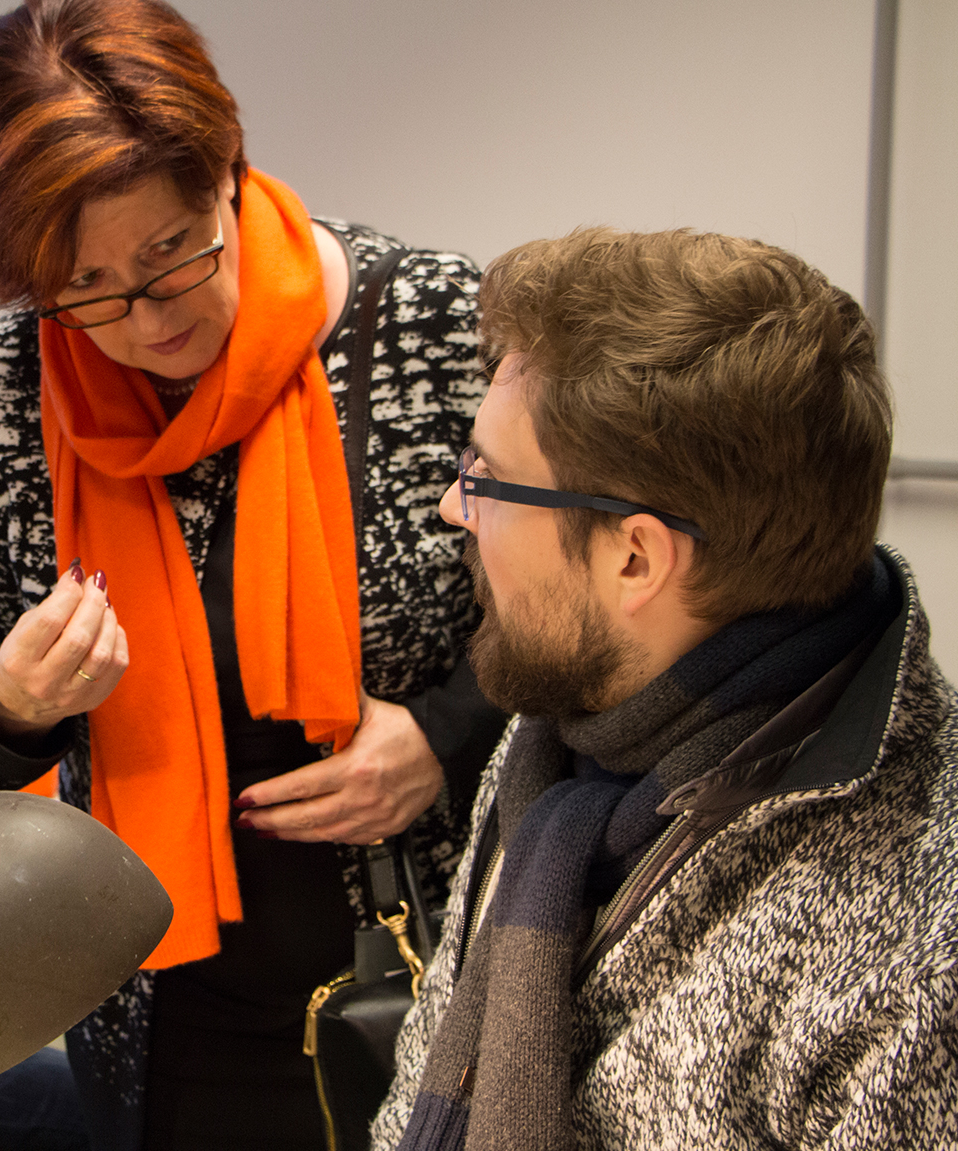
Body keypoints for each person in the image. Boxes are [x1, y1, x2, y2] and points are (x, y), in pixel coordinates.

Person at [0, 0, 504, 1151]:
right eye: (86, 290)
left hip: (435, 967)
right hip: (159, 1007)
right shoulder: (15, 387)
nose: (148, 319)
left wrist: (442, 732)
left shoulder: (434, 323)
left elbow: (590, 638)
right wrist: (13, 706)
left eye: (173, 253)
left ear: (227, 170)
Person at [374, 228, 958, 1149]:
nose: (455, 508)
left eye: (486, 476)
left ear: (635, 555)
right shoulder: (568, 747)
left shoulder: (913, 966)